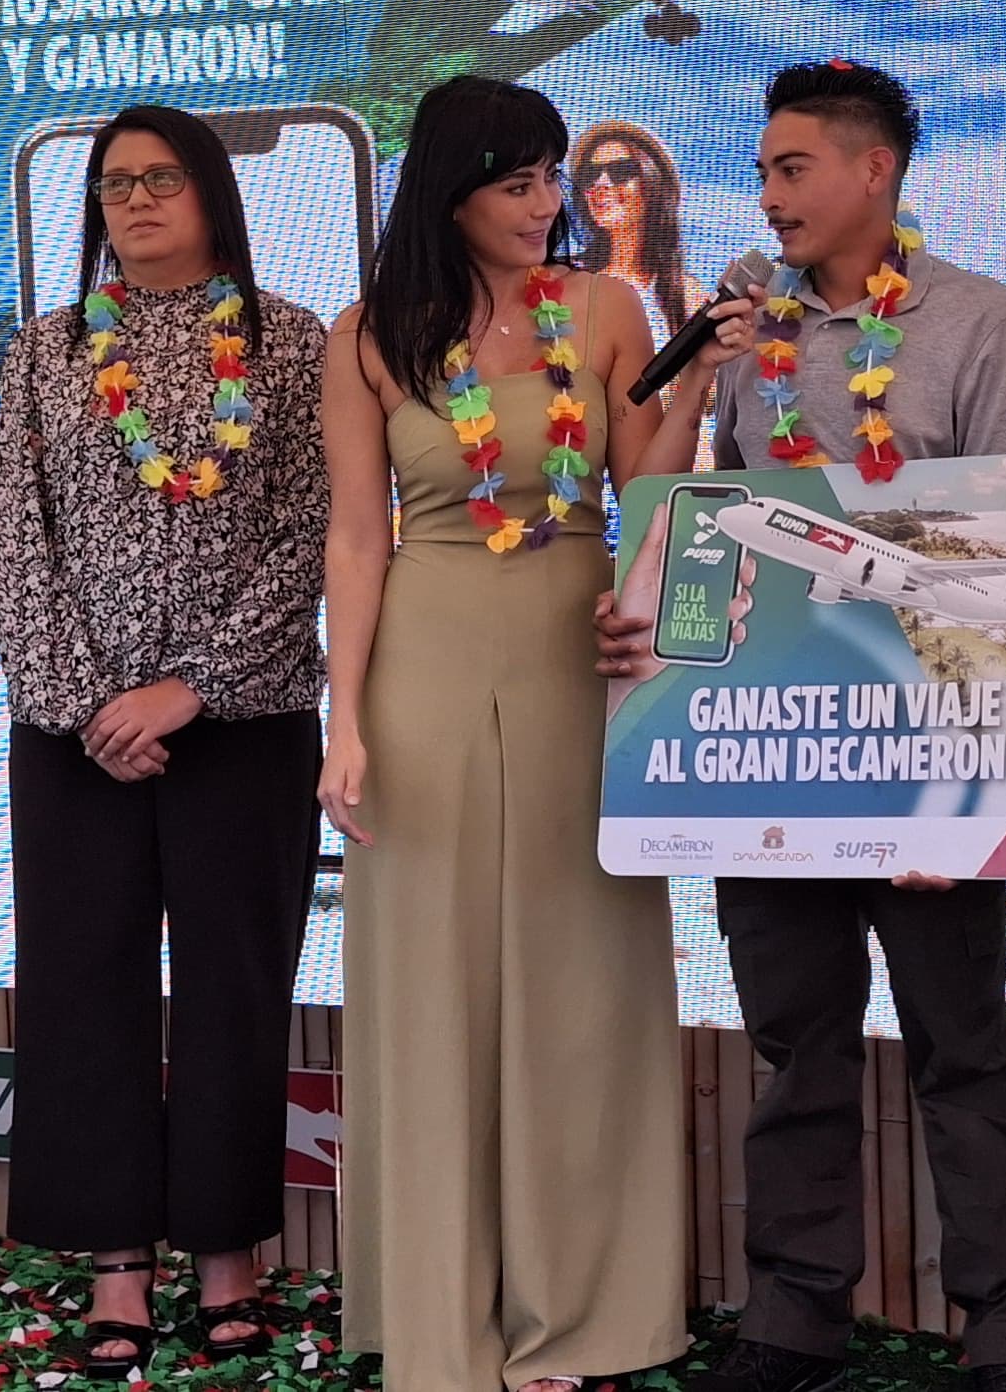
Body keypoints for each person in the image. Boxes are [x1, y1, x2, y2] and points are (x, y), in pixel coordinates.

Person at [606, 58, 1006, 1392]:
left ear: (877, 171)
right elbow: (715, 530)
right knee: (795, 1047)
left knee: (962, 1048)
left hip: (927, 757)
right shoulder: (749, 334)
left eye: (793, 168)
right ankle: (794, 1320)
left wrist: (964, 795)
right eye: (761, 171)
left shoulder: (981, 319)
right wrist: (648, 625)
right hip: (775, 748)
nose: (769, 195)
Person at [322, 75, 687, 1392]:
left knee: (585, 980)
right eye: (516, 181)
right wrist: (342, 718)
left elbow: (652, 487)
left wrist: (698, 385)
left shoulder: (605, 308)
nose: (545, 204)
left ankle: (578, 1313)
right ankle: (440, 1319)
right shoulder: (370, 334)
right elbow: (355, 538)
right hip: (422, 658)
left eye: (550, 179)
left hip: (577, 654)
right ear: (451, 192)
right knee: (427, 985)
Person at [0, 105, 333, 1381]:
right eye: (115, 183)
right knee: (86, 988)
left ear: (211, 197)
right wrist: (90, 704)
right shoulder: (48, 351)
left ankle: (228, 1257)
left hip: (244, 726)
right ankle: (117, 1263)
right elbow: (13, 540)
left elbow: (313, 535)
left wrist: (192, 689)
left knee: (237, 990)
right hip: (76, 735)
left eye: (161, 179)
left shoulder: (292, 343)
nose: (134, 201)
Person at [574, 118, 697, 340]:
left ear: (652, 184)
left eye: (621, 171)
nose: (601, 184)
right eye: (590, 174)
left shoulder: (687, 296)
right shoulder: (565, 280)